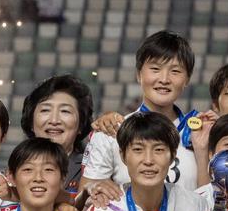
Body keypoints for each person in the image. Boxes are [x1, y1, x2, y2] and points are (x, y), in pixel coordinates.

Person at [85, 111, 216, 211]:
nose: (148, 160)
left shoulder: (196, 205)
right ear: (123, 156)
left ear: (173, 156)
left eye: (159, 150)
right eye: (138, 150)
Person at [82, 31, 203, 197]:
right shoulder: (111, 132)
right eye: (155, 69)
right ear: (139, 74)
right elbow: (84, 194)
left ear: (187, 79)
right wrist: (95, 189)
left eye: (175, 71)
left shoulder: (201, 134)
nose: (164, 79)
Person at [20, 75, 95, 203]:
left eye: (65, 111)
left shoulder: (93, 168)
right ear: (31, 122)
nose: (54, 120)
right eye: (45, 110)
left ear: (81, 125)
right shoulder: (16, 167)